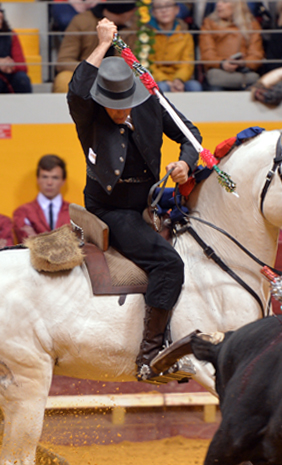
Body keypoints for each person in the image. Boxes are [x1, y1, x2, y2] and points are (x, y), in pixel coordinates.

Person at [67, 18, 202, 381]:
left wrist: (185, 164)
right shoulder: (89, 112)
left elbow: (190, 134)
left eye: (126, 103)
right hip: (111, 209)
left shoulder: (150, 101)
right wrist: (102, 43)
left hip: (150, 202)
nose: (122, 111)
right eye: (115, 106)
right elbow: (76, 88)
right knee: (169, 265)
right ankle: (150, 355)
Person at [53, 2, 137, 94]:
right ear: (128, 12)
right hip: (87, 74)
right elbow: (64, 61)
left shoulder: (135, 27)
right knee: (63, 79)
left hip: (119, 76)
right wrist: (93, 70)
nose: (135, 14)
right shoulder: (82, 21)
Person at [199, 0, 265, 90]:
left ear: (237, 5)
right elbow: (207, 53)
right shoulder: (209, 23)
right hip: (218, 71)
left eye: (225, 2)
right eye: (218, 1)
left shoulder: (252, 25)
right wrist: (222, 63)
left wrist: (243, 62)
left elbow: (256, 55)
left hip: (243, 71)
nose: (218, 4)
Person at [13, 155, 72, 243]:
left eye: (55, 177)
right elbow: (27, 242)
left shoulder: (74, 213)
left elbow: (77, 243)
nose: (49, 183)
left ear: (63, 181)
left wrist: (37, 238)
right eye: (45, 177)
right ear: (37, 179)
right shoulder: (22, 212)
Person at [150, 0, 203, 92]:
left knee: (195, 86)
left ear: (177, 10)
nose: (164, 11)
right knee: (162, 87)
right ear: (153, 12)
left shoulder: (185, 35)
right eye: (159, 7)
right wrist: (165, 80)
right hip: (158, 79)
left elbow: (187, 63)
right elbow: (148, 64)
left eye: (168, 6)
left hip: (180, 79)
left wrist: (178, 80)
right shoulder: (147, 35)